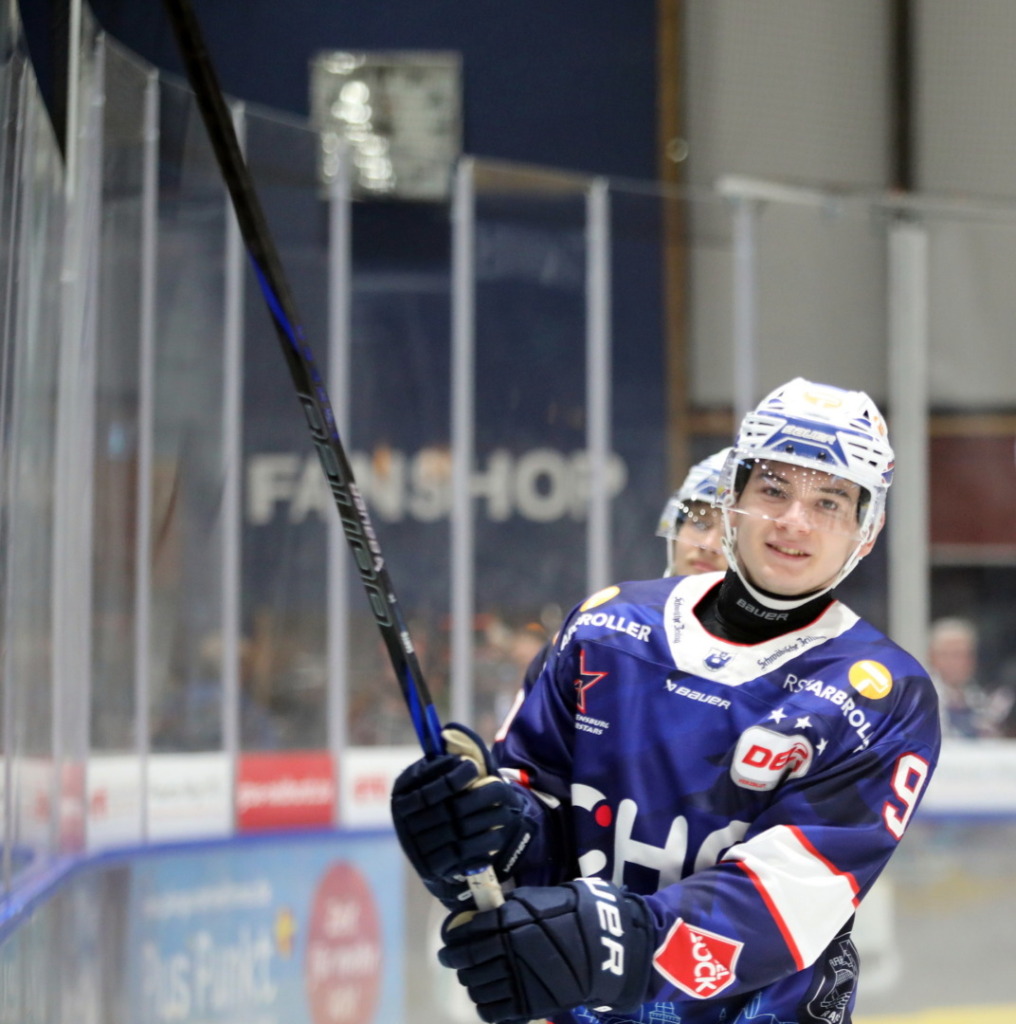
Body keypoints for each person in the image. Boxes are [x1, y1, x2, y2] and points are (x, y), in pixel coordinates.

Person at [391, 377, 941, 1024]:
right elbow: (536, 826)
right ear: (732, 494)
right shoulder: (605, 628)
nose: (795, 520)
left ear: (866, 531)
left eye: (829, 502)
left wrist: (616, 944)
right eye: (773, 489)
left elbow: (785, 902)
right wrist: (485, 832)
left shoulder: (880, 696)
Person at [928, 616, 1011, 738]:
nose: (956, 662)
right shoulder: (919, 697)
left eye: (963, 655)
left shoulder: (979, 695)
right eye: (949, 655)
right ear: (932, 657)